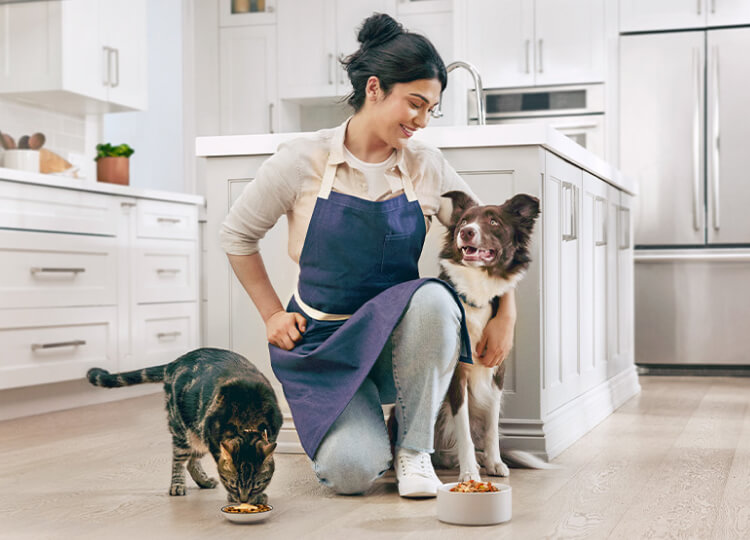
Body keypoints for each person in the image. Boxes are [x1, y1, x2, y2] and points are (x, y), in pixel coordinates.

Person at [219, 13, 517, 498]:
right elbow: (237, 236)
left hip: (399, 340)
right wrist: (272, 312)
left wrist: (506, 313)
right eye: (415, 104)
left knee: (435, 299)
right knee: (352, 473)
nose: (421, 121)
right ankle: (371, 442)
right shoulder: (302, 159)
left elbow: (491, 243)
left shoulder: (426, 165)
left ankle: (415, 449)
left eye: (430, 110)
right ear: (375, 88)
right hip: (324, 344)